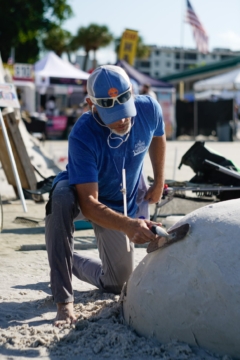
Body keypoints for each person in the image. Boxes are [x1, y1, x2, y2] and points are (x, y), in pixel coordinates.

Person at [45, 65, 166, 325]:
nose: (122, 119)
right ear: (91, 104)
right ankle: (62, 298)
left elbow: (158, 134)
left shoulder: (149, 108)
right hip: (84, 194)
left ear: (132, 92)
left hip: (120, 198)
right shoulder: (82, 133)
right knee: (61, 198)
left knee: (117, 282)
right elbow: (89, 204)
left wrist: (159, 181)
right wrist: (128, 225)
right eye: (112, 112)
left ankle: (67, 260)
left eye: (124, 108)